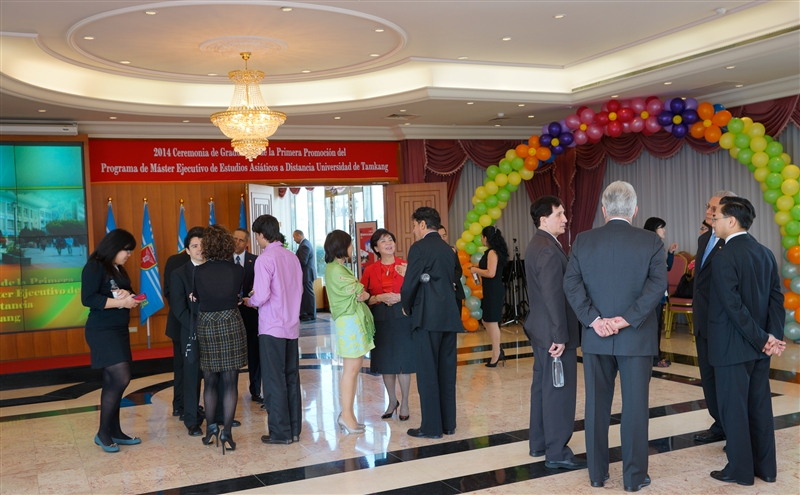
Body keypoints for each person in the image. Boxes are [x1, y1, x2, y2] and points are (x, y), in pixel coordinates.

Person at [563, 181, 667, 491]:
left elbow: (571, 284)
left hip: (596, 337)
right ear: (635, 210)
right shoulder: (651, 241)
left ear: (604, 210)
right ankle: (633, 479)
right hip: (636, 337)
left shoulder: (583, 240)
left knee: (596, 408)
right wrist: (626, 320)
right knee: (635, 409)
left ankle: (597, 474)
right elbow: (656, 286)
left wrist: (594, 320)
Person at [707, 197, 786, 486]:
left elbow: (733, 307)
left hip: (733, 346)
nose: (712, 222)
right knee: (759, 407)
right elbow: (776, 299)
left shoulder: (724, 256)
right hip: (759, 348)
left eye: (716, 217)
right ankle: (766, 469)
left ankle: (740, 471)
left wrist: (764, 339)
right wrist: (772, 337)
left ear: (731, 221)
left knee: (734, 410)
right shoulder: (765, 252)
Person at [524, 196, 586, 470]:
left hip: (541, 331)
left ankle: (539, 443)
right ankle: (557, 451)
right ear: (543, 219)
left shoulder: (539, 243)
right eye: (559, 214)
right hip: (553, 334)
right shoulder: (548, 249)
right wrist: (560, 336)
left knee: (542, 388)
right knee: (559, 392)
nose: (565, 218)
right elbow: (552, 296)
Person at [401, 207, 463, 439]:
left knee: (428, 373)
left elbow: (410, 283)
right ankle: (448, 424)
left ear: (423, 224)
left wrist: (407, 305)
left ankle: (431, 428)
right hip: (449, 317)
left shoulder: (419, 248)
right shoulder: (449, 249)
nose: (413, 230)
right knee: (447, 373)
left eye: (414, 225)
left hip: (427, 317)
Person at [80, 229, 141, 453]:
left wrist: (130, 296)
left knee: (113, 380)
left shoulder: (117, 268)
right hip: (101, 330)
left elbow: (124, 290)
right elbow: (88, 298)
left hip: (119, 329)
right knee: (121, 376)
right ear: (114, 247)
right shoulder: (95, 266)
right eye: (126, 250)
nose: (128, 255)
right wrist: (121, 303)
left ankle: (115, 430)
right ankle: (103, 433)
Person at [246, 215, 304, 445]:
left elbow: (261, 296)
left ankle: (280, 433)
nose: (257, 240)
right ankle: (294, 430)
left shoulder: (265, 259)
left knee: (273, 380)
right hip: (292, 326)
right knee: (291, 378)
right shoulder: (292, 256)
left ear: (262, 234)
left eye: (257, 236)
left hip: (272, 327)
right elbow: (299, 290)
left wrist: (249, 301)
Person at [192, 225, 246, 454]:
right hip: (231, 321)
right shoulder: (237, 270)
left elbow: (198, 297)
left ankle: (210, 430)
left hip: (207, 324)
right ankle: (227, 433)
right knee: (231, 382)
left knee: (210, 380)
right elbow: (237, 295)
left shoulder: (199, 271)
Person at [693, 190, 736, 446]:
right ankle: (719, 424)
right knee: (708, 378)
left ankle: (734, 431)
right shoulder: (703, 239)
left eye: (714, 208)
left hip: (721, 323)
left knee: (726, 381)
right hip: (702, 321)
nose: (709, 212)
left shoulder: (732, 242)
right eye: (708, 207)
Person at [360, 228, 415, 421]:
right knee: (386, 364)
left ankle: (405, 402)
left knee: (403, 363)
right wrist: (379, 297)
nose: (388, 243)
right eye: (383, 241)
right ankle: (392, 401)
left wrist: (401, 297)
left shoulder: (406, 265)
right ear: (376, 248)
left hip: (403, 317)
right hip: (381, 319)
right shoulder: (369, 270)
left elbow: (417, 292)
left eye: (390, 239)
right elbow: (363, 297)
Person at [324, 230, 375, 434]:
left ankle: (349, 415)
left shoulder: (337, 267)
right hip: (349, 323)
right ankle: (346, 415)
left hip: (351, 322)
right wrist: (363, 293)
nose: (352, 248)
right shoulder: (335, 269)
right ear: (341, 246)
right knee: (351, 370)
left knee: (353, 370)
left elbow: (360, 292)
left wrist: (363, 294)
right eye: (350, 244)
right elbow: (358, 290)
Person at [469, 226, 509, 367]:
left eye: (482, 236)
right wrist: (476, 268)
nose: (481, 239)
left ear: (486, 237)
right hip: (490, 290)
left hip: (494, 290)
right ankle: (498, 350)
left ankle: (496, 353)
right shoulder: (491, 252)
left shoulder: (492, 252)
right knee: (487, 320)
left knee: (491, 321)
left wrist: (476, 270)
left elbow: (491, 273)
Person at [643, 217, 678, 368]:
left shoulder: (657, 246)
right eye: (661, 227)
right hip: (653, 293)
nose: (664, 230)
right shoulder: (648, 247)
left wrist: (670, 253)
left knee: (657, 325)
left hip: (660, 294)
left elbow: (666, 268)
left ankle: (656, 353)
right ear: (653, 229)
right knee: (652, 326)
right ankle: (653, 357)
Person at [232, 228, 262, 404]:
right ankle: (230, 391)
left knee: (254, 352)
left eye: (240, 240)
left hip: (251, 312)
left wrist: (250, 297)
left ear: (247, 243)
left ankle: (255, 390)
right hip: (231, 313)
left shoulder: (256, 261)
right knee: (232, 353)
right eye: (234, 239)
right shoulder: (224, 261)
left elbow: (260, 285)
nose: (236, 242)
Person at [163, 242, 191, 418]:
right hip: (181, 322)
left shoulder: (208, 260)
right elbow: (168, 292)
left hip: (181, 319)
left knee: (185, 367)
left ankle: (184, 405)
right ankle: (181, 405)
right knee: (182, 365)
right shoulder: (175, 261)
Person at [293, 230, 317, 321]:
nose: (294, 239)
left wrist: (293, 261)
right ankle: (305, 313)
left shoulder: (304, 246)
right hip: (306, 274)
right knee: (305, 294)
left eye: (294, 237)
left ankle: (311, 314)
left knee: (308, 294)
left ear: (299, 235)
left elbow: (303, 261)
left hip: (307, 274)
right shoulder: (305, 244)